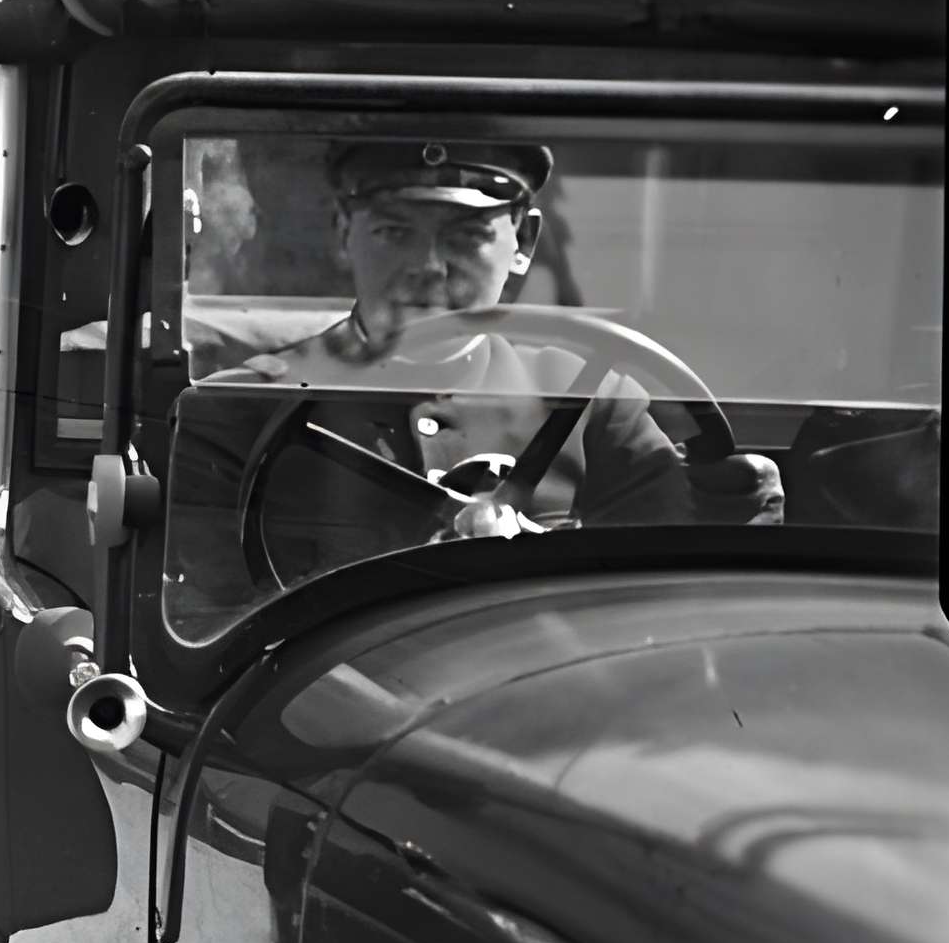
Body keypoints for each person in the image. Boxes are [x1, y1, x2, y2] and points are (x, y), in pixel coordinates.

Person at [164, 140, 691, 629]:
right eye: (395, 233)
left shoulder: (592, 403)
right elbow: (216, 628)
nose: (428, 267)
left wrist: (540, 565)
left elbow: (676, 609)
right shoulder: (239, 413)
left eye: (468, 235)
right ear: (343, 232)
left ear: (524, 242)